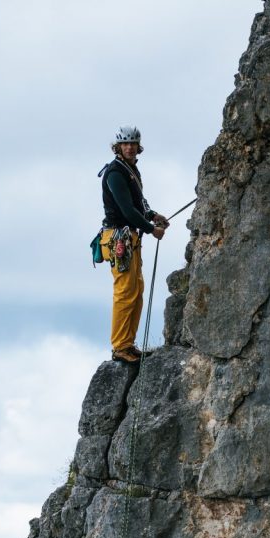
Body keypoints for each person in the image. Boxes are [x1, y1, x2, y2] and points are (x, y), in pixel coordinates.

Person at [99, 126, 169, 364]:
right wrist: (152, 229)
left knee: (136, 290)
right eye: (125, 144)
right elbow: (127, 210)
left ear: (138, 146)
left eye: (132, 143)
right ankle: (120, 346)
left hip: (129, 237)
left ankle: (128, 343)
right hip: (120, 237)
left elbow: (135, 205)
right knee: (125, 292)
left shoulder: (129, 170)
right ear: (118, 147)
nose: (129, 147)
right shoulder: (115, 173)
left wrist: (151, 215)